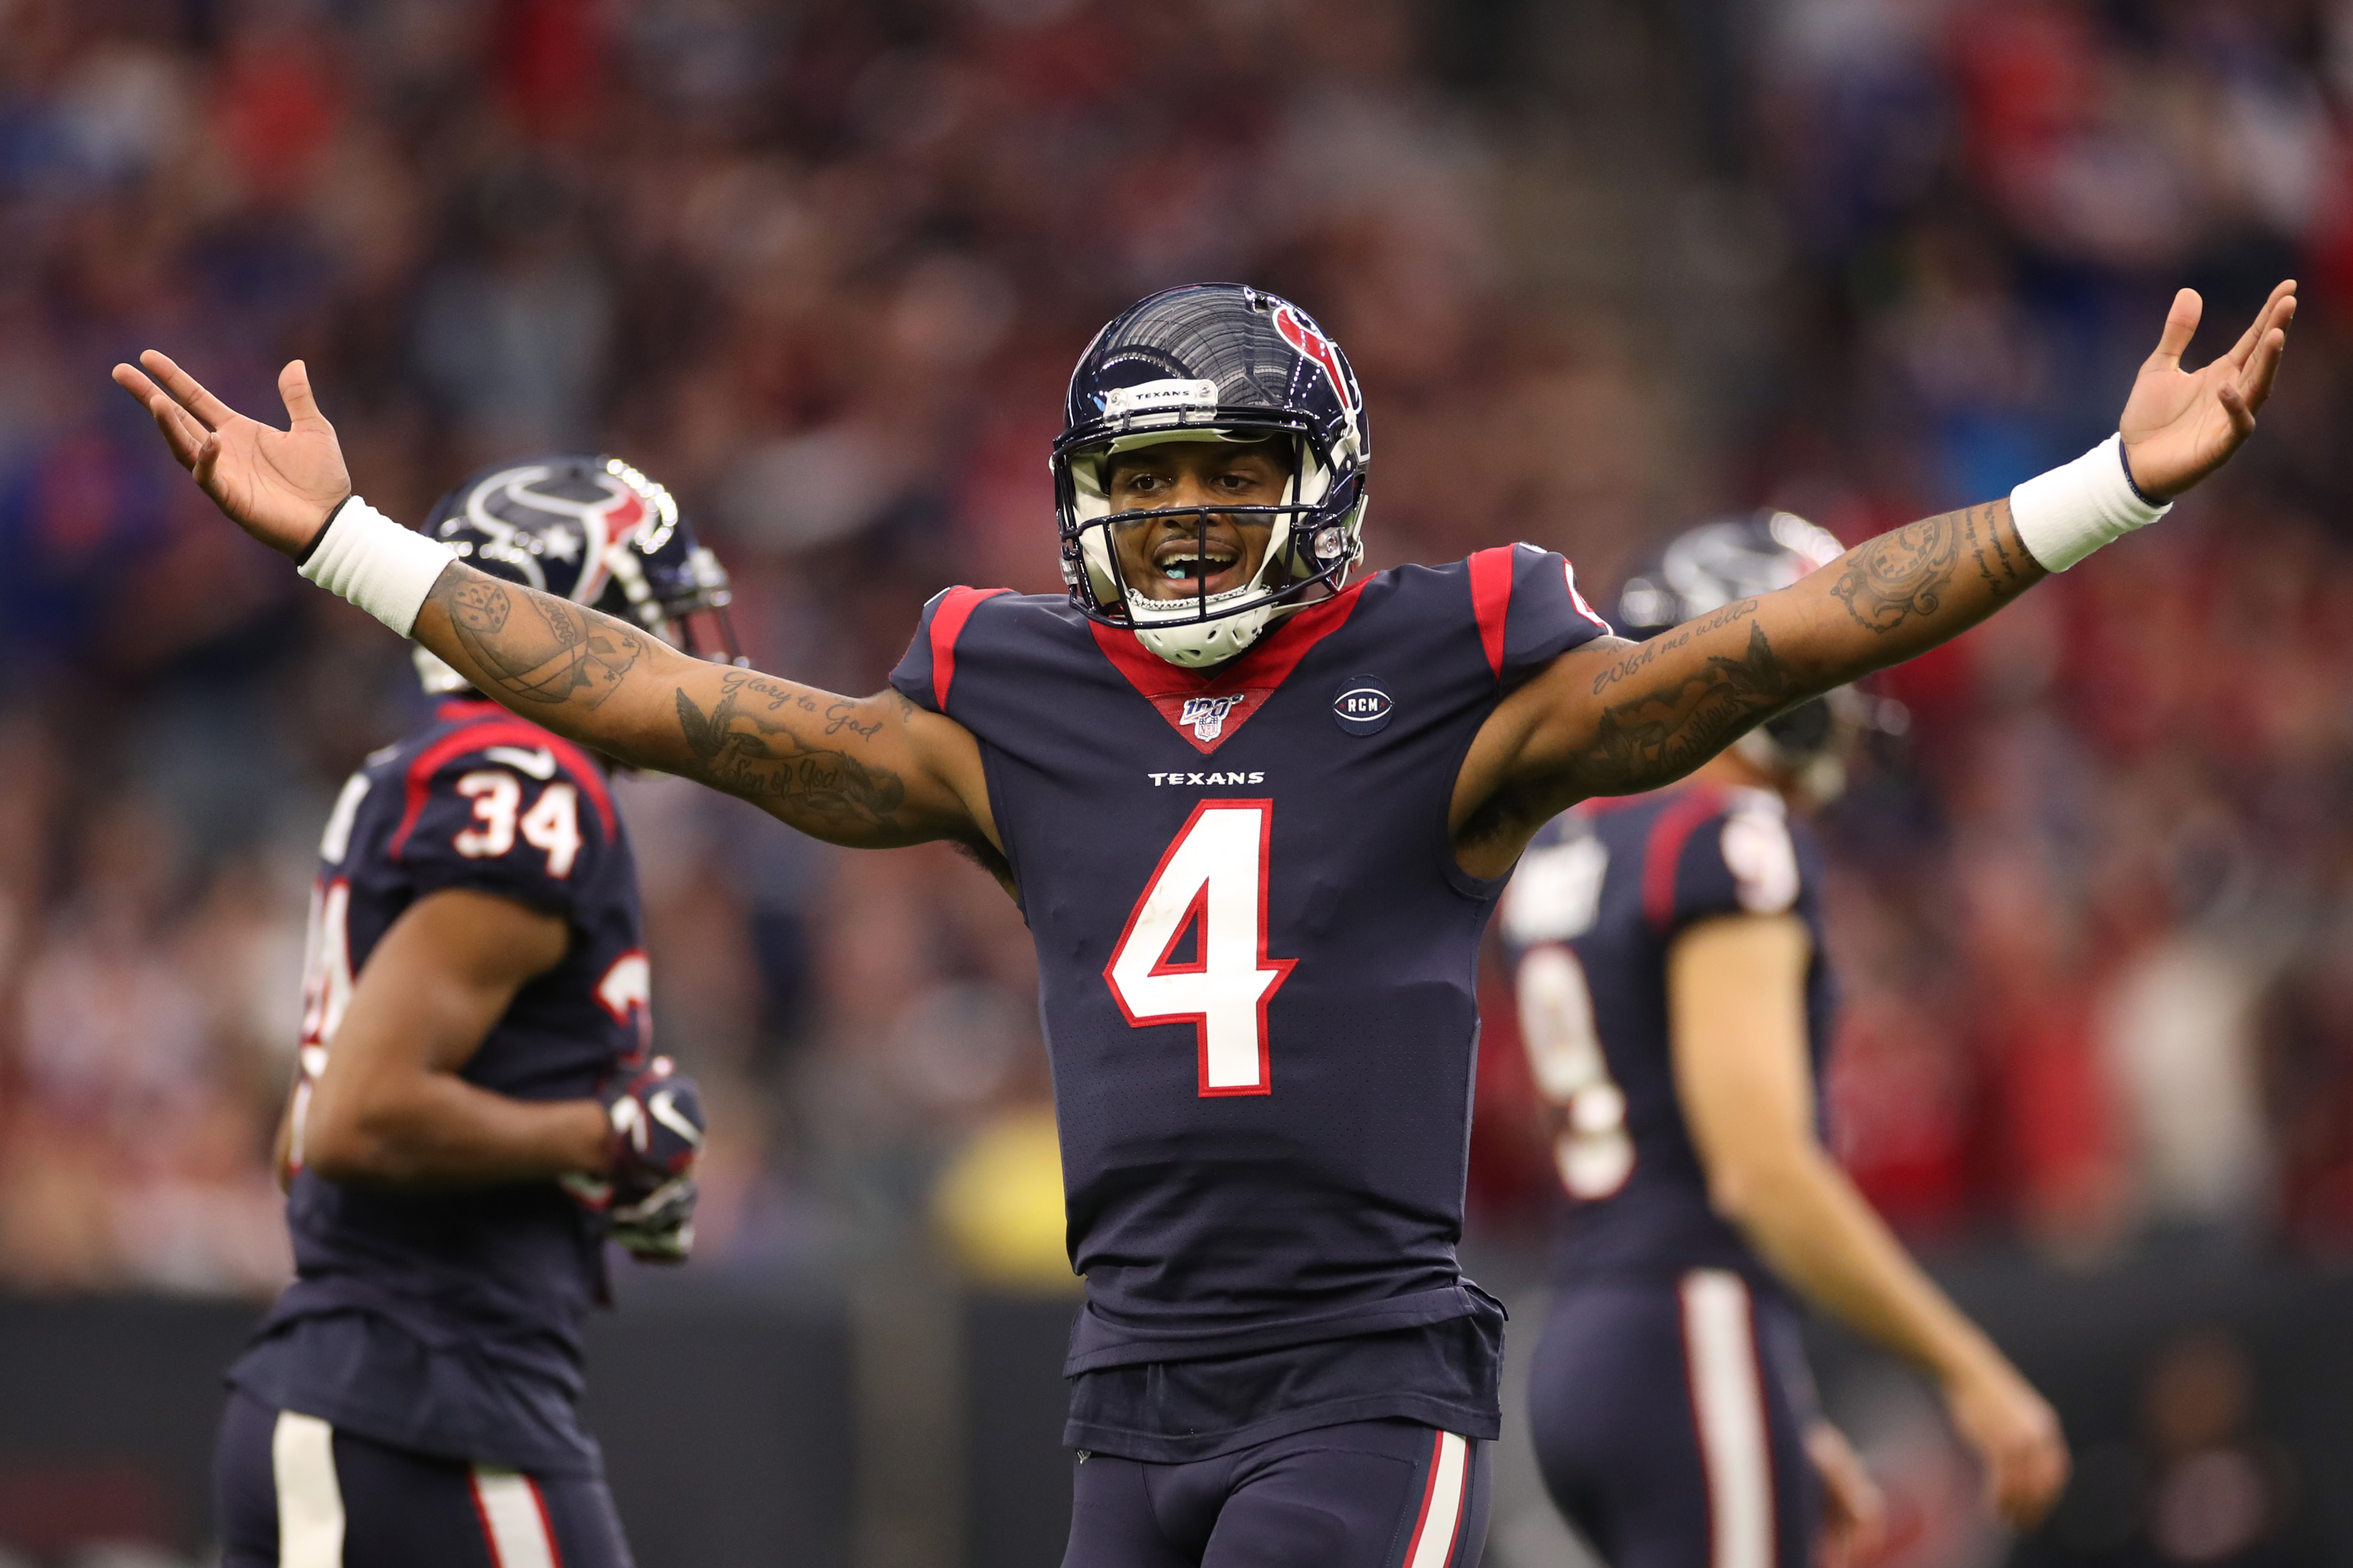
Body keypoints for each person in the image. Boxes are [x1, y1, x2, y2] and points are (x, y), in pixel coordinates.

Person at [117, 275, 2293, 1568]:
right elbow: (679, 704)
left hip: (1355, 1371)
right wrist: (361, 552)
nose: (1169, 523)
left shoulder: (1452, 668)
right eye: (1135, 485)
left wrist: (2098, 488)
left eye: (1217, 479)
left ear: (1323, 482)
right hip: (1123, 1380)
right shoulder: (1013, 697)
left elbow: (1766, 643)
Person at [1499, 511, 2064, 1568]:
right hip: (1685, 1331)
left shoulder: (1569, 846)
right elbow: (1759, 1172)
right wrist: (1968, 1367)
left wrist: (1774, 1411)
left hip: (1589, 1339)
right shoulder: (1729, 836)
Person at [209, 456, 722, 1568]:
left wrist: (579, 1167)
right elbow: (357, 1122)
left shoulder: (446, 770)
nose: (682, 651)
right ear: (569, 610)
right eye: (649, 613)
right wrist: (603, 1132)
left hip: (371, 1391)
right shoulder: (527, 779)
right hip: (429, 1406)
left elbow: (307, 1129)